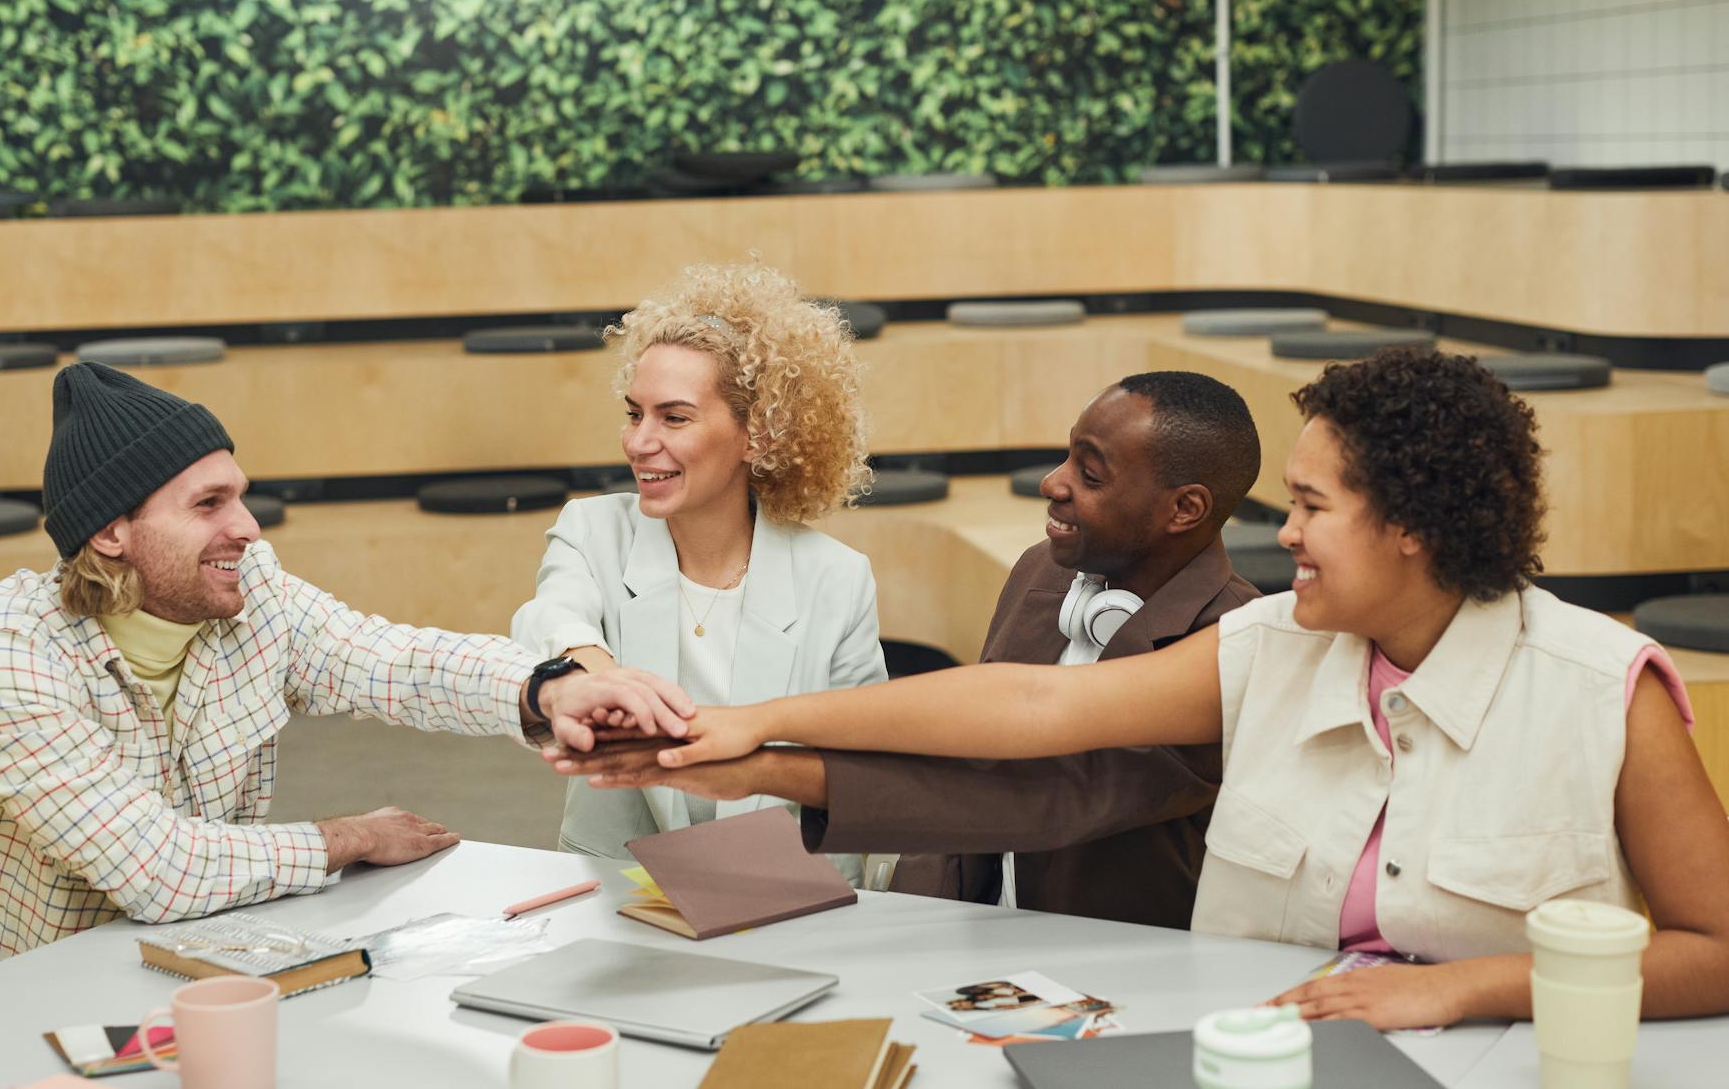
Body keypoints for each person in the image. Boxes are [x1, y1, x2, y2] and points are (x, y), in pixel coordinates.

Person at [556, 347, 1729, 1030]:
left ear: (1412, 525)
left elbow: (1716, 948)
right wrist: (754, 726)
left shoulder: (1598, 688)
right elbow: (1027, 707)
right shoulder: (1273, 643)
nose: (1284, 531)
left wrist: (1466, 988)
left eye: (1311, 506)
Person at [0, 363, 694, 1002]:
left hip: (181, 984)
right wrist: (349, 836)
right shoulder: (2, 653)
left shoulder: (249, 590)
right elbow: (160, 868)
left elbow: (390, 660)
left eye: (240, 495)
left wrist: (547, 687)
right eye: (209, 504)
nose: (246, 526)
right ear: (112, 531)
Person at [562, 372, 1263, 927]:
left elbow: (1031, 796)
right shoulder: (1044, 572)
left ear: (1185, 509)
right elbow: (963, 747)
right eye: (1066, 458)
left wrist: (759, 759)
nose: (1053, 483)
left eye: (1092, 474)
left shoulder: (1232, 642)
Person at [510, 264, 885, 880]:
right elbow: (548, 618)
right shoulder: (592, 530)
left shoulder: (838, 579)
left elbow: (862, 769)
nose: (639, 442)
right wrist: (605, 681)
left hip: (786, 893)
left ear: (757, 436)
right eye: (635, 414)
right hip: (619, 896)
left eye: (674, 418)